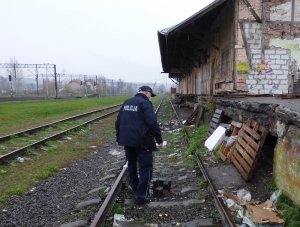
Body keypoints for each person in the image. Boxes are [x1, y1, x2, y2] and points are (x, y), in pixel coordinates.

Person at [115, 85, 163, 205]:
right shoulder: (145, 103)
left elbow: (118, 122)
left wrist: (119, 137)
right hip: (142, 141)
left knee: (131, 164)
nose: (150, 98)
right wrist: (159, 139)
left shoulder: (127, 102)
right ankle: (141, 196)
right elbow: (152, 122)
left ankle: (135, 188)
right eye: (150, 95)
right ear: (147, 93)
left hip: (127, 141)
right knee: (145, 167)